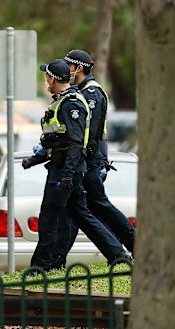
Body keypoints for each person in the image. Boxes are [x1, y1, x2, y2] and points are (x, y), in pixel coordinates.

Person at [22, 60, 130, 272]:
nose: (46, 80)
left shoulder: (71, 103)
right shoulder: (63, 101)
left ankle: (40, 266)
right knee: (82, 215)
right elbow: (58, 140)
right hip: (64, 168)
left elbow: (75, 143)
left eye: (47, 76)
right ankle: (118, 255)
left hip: (65, 170)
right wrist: (34, 160)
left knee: (49, 216)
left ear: (53, 79)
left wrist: (68, 175)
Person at [64, 49, 135, 253]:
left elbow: (89, 131)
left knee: (98, 204)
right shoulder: (82, 91)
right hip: (88, 158)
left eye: (69, 66)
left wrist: (83, 159)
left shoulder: (91, 93)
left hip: (91, 159)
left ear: (78, 68)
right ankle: (56, 258)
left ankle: (131, 244)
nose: (67, 71)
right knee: (82, 209)